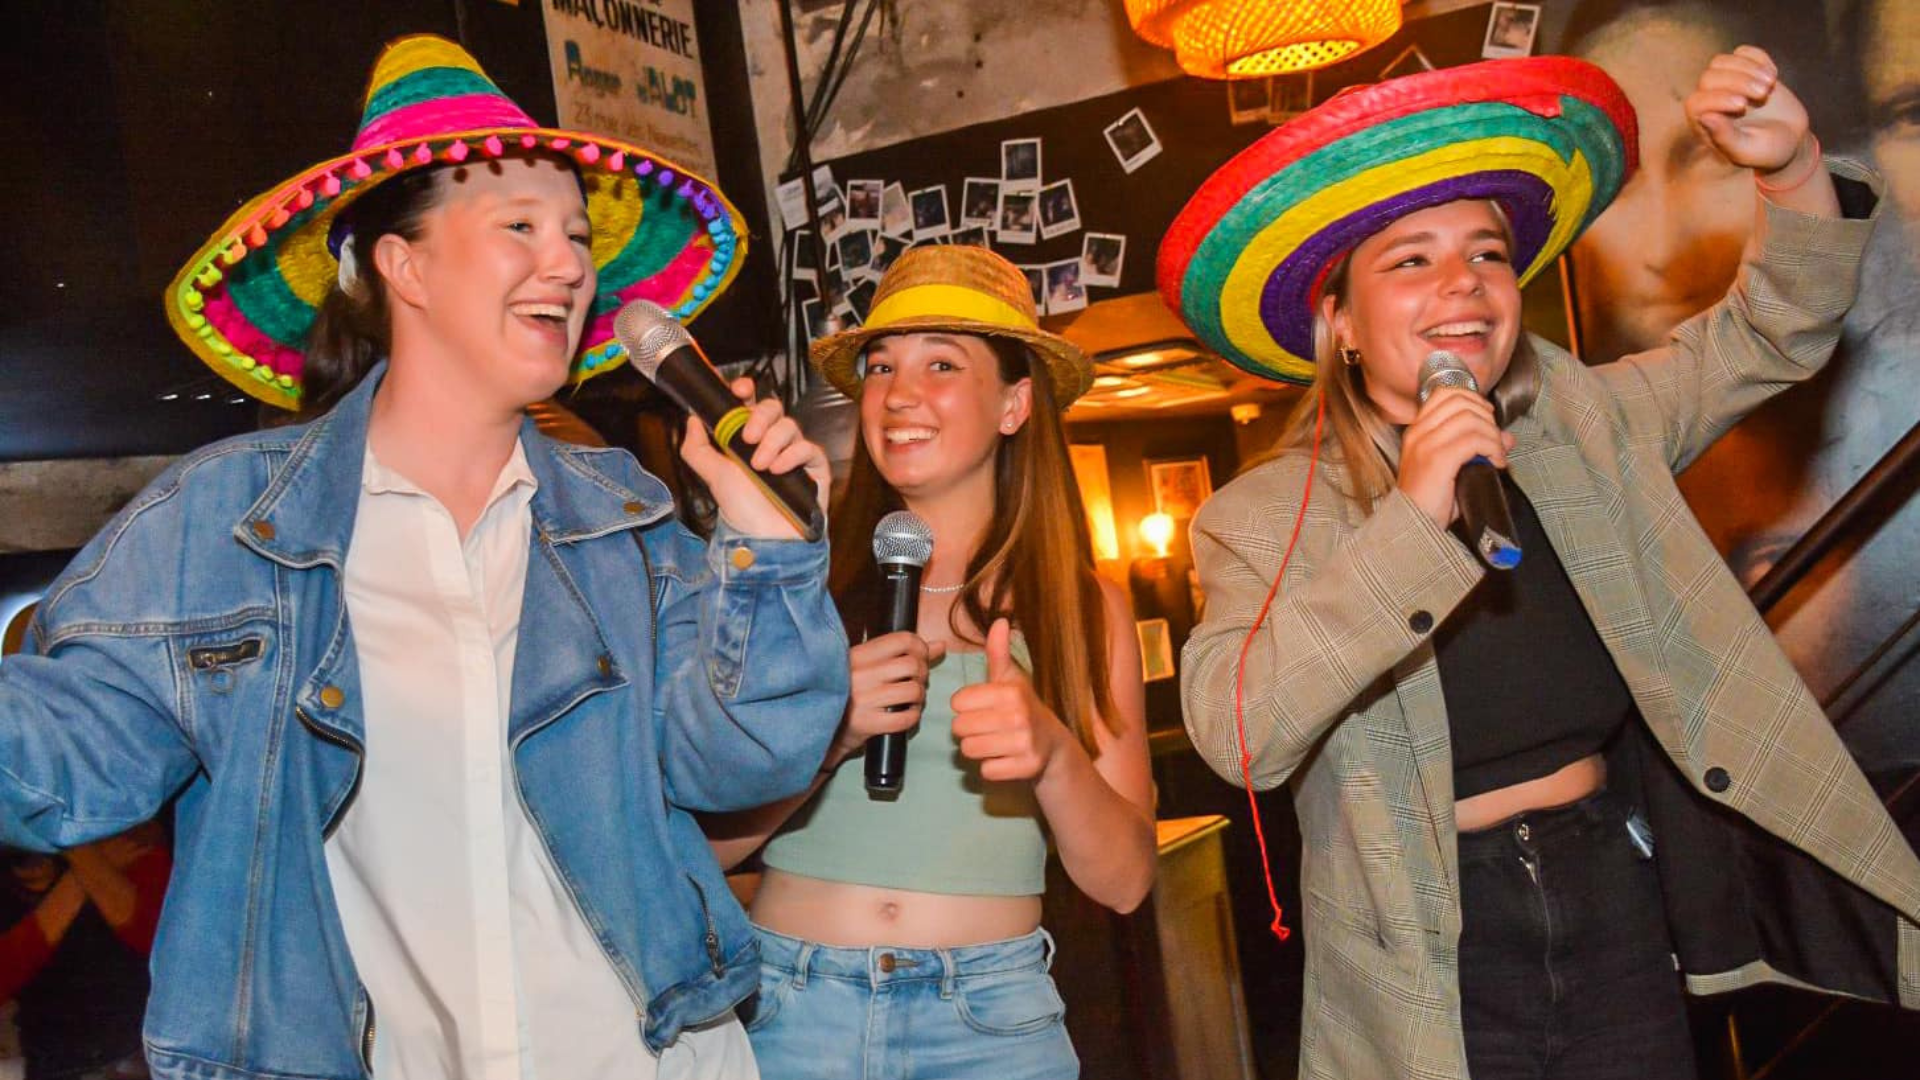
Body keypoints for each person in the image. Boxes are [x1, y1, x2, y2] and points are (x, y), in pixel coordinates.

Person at [0, 34, 848, 1080]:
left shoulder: (624, 521)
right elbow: (65, 770)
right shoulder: (221, 525)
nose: (571, 264)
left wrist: (766, 554)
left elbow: (744, 764)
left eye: (578, 236)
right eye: (522, 226)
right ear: (401, 264)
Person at [1164, 50, 1920, 1080]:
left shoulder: (1581, 423)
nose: (1464, 287)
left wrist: (1786, 172)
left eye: (1485, 254)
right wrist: (1416, 520)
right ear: (1337, 321)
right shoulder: (1257, 517)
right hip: (1432, 951)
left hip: (1614, 889)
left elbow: (1770, 334)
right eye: (1412, 261)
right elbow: (1237, 731)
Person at [706, 246, 1155, 1079]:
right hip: (788, 1009)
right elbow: (705, 851)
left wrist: (1053, 753)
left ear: (1016, 403)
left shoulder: (1082, 608)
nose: (898, 395)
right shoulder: (800, 583)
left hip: (989, 1024)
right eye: (880, 367)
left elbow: (1126, 882)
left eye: (941, 364)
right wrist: (829, 738)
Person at [0, 825, 169, 1080]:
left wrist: (80, 852)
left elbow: (158, 941)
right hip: (55, 1062)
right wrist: (83, 865)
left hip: (140, 1057)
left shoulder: (126, 838)